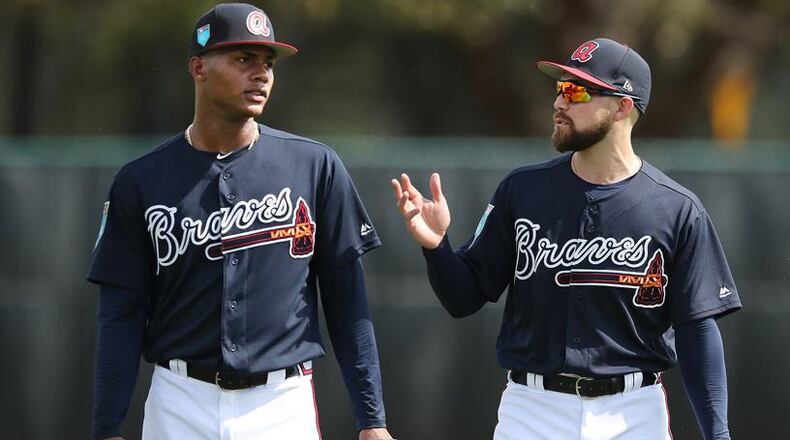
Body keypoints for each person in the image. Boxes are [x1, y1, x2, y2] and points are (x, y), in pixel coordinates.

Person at [391, 38, 740, 440]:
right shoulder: (522, 191)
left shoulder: (677, 209)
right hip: (533, 409)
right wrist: (436, 246)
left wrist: (718, 434)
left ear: (623, 105)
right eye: (560, 90)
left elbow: (697, 331)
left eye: (576, 91)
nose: (560, 103)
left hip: (634, 413)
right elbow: (463, 297)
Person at [88, 4, 394, 440]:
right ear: (198, 68)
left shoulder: (315, 166)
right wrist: (106, 428)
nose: (262, 74)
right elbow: (120, 314)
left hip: (281, 405)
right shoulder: (140, 181)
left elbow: (347, 302)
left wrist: (373, 420)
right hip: (179, 400)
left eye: (267, 63)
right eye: (243, 59)